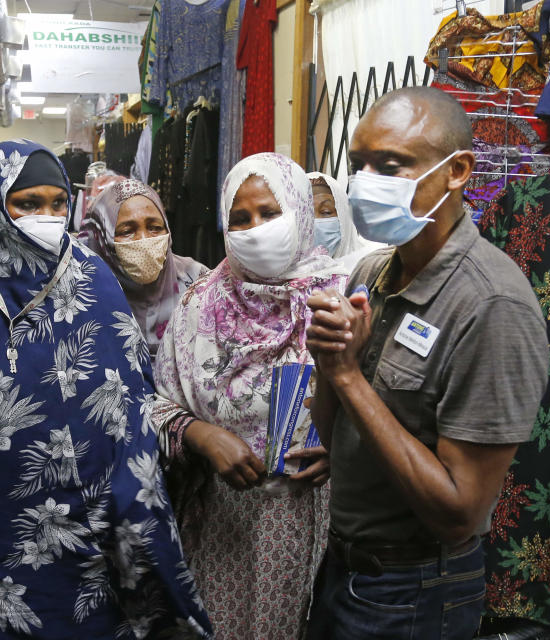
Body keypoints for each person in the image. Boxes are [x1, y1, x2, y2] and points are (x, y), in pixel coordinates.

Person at [0, 139, 213, 639]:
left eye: (57, 204)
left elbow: (130, 411)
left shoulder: (94, 282)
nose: (47, 217)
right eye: (28, 204)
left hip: (96, 557)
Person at [304, 87, 549, 639]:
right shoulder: (371, 272)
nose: (365, 184)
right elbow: (338, 437)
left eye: (390, 166)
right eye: (359, 165)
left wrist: (348, 376)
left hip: (414, 591)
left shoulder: (492, 305)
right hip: (344, 567)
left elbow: (458, 514)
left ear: (457, 170)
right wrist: (329, 361)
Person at [153, 152, 349, 639]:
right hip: (223, 525)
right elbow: (151, 405)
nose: (255, 229)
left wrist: (347, 451)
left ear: (299, 212)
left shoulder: (347, 298)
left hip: (321, 522)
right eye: (240, 219)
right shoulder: (200, 305)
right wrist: (200, 435)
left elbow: (390, 410)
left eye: (269, 212)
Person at [79, 177, 208, 360]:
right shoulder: (81, 295)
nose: (143, 239)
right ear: (102, 239)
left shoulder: (197, 281)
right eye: (126, 231)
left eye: (155, 228)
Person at [307, 171, 383, 271]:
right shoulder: (284, 270)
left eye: (326, 212)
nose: (315, 222)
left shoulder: (370, 266)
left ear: (344, 217)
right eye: (307, 214)